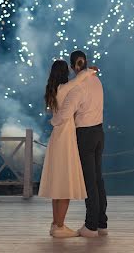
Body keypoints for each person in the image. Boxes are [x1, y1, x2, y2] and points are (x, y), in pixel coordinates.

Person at [51, 50, 108, 238]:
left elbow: (65, 115)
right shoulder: (96, 80)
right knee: (98, 179)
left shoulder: (77, 88)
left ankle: (90, 226)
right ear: (85, 63)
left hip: (85, 134)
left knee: (89, 182)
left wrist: (54, 121)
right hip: (99, 132)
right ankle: (101, 223)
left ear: (72, 65)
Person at [38, 59, 97, 238]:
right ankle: (60, 226)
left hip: (56, 137)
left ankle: (56, 224)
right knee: (64, 182)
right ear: (66, 72)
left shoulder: (52, 90)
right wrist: (90, 71)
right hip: (65, 136)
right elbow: (78, 81)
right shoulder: (65, 88)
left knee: (58, 182)